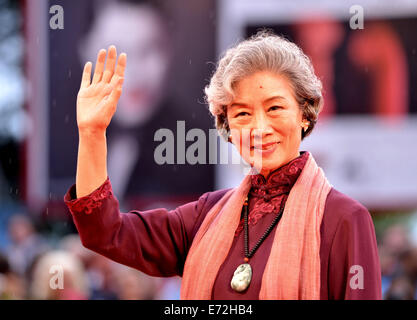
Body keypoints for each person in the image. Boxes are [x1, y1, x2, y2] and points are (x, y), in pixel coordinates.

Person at [64, 31, 381, 299]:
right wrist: (91, 134)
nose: (259, 128)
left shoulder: (344, 219)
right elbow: (104, 231)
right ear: (226, 126)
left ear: (305, 113)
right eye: (242, 113)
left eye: (274, 108)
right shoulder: (206, 215)